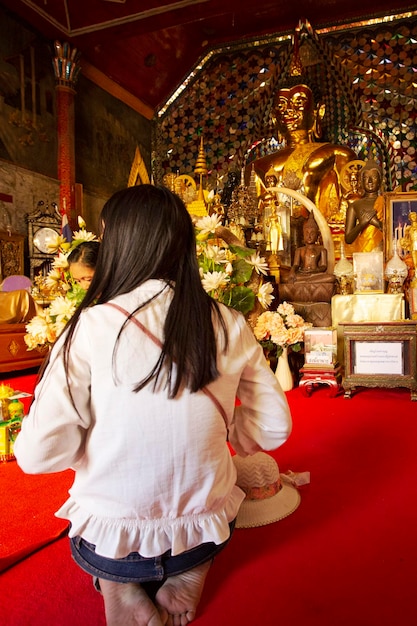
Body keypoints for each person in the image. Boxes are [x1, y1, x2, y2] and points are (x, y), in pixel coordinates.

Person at [14, 184, 292, 626]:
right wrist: (228, 433)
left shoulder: (90, 324)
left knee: (92, 523)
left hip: (112, 537)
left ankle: (119, 582)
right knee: (221, 493)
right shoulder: (230, 321)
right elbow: (275, 428)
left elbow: (39, 454)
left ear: (120, 246)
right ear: (184, 245)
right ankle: (190, 563)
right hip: (204, 530)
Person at [250, 81, 357, 221]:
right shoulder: (257, 166)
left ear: (318, 111)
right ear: (274, 117)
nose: (288, 110)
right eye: (281, 106)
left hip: (326, 239)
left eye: (299, 102)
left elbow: (354, 206)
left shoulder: (338, 155)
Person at [344, 160, 384, 253]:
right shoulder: (355, 205)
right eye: (366, 178)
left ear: (380, 180)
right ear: (361, 181)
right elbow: (348, 239)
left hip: (383, 249)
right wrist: (362, 224)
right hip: (363, 251)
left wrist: (375, 222)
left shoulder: (386, 202)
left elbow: (394, 231)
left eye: (373, 177)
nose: (369, 181)